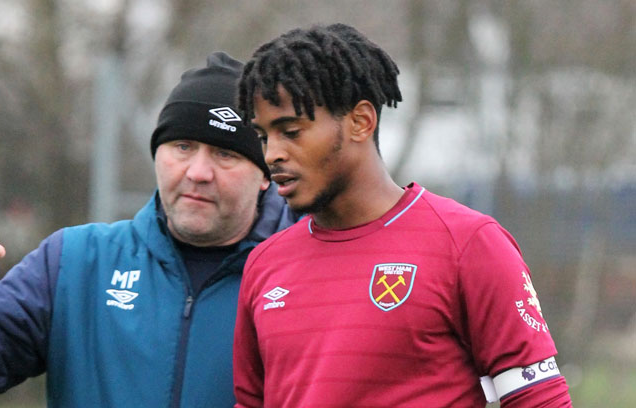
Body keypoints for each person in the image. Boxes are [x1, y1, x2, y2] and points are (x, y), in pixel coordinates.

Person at [0, 52, 297, 407]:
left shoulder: (303, 275)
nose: (197, 172)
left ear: (265, 175)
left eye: (225, 154)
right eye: (182, 146)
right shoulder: (75, 262)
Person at [232, 24, 572, 407]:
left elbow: (538, 399)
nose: (272, 153)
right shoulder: (264, 264)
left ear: (361, 122)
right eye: (263, 137)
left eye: (290, 131)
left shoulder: (468, 243)